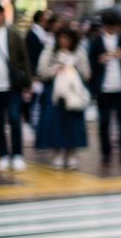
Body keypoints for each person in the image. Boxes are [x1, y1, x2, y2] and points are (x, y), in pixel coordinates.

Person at [88, 10, 121, 166]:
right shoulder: (96, 42)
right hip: (103, 87)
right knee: (104, 122)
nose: (111, 28)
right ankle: (106, 154)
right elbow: (90, 62)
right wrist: (101, 59)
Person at [35, 28, 89, 169]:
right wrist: (55, 69)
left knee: (73, 125)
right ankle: (57, 153)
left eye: (67, 38)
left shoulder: (79, 53)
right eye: (62, 38)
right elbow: (42, 71)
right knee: (56, 124)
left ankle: (72, 154)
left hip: (73, 94)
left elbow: (87, 73)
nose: (64, 41)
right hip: (55, 94)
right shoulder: (50, 51)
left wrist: (74, 69)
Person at [0, 0, 31, 171]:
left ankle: (18, 154)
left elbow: (24, 59)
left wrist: (27, 82)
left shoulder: (13, 34)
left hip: (12, 86)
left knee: (14, 119)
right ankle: (3, 153)